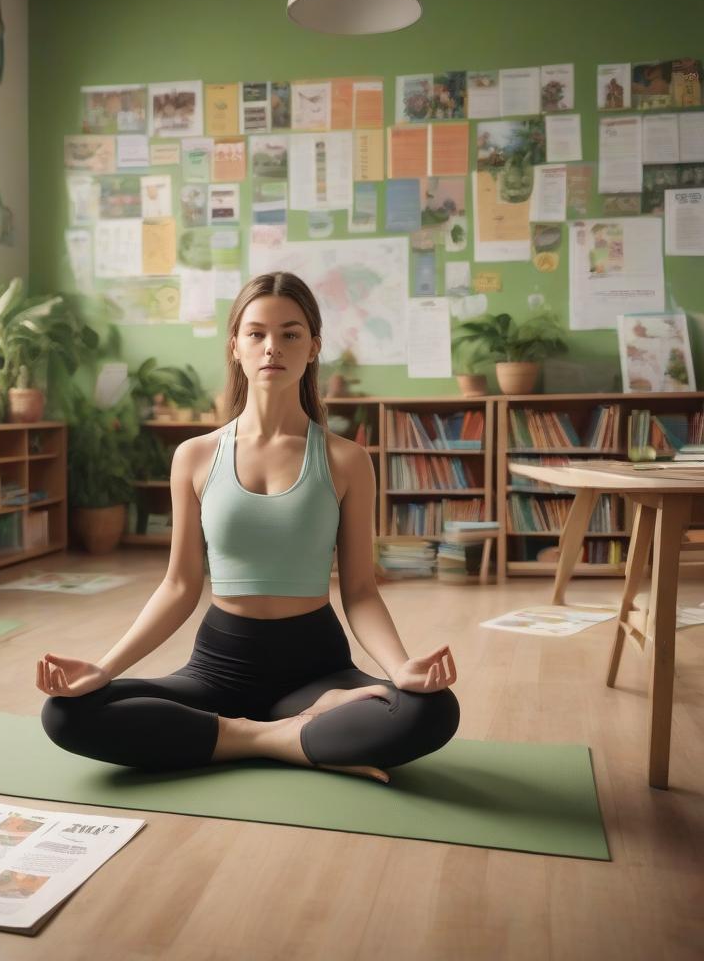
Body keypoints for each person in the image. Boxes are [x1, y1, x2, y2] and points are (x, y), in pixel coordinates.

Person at [38, 272, 460, 784]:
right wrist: (104, 670)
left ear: (313, 347)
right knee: (66, 712)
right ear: (235, 345)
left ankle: (239, 734)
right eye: (256, 333)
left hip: (319, 671)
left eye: (290, 334)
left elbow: (360, 590)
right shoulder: (193, 456)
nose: (272, 348)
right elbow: (178, 586)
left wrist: (400, 670)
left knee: (432, 710)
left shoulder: (346, 460)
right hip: (217, 667)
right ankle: (276, 738)